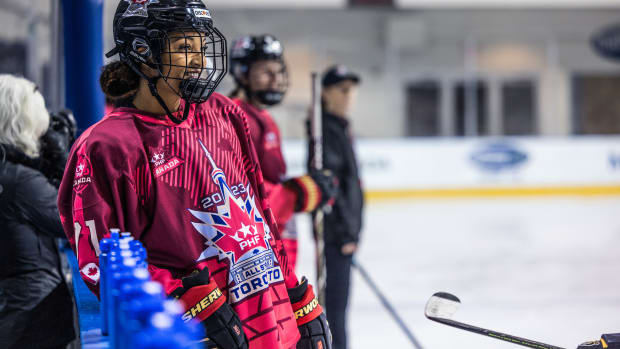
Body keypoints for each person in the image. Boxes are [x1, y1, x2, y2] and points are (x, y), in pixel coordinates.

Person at [57, 1, 331, 348]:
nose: (200, 60)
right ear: (143, 53)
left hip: (270, 321)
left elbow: (258, 217)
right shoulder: (108, 146)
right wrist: (187, 301)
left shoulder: (225, 113)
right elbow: (103, 260)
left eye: (201, 46)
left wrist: (293, 293)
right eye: (185, 48)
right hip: (195, 334)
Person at [229, 34, 336, 272]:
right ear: (243, 73)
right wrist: (296, 194)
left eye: (278, 71)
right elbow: (236, 192)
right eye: (266, 71)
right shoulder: (232, 118)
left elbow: (269, 178)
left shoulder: (263, 117)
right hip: (253, 250)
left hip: (276, 239)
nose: (275, 79)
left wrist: (304, 188)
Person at [0, 75, 77, 349]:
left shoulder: (10, 173)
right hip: (32, 318)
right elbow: (72, 220)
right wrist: (63, 165)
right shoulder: (19, 181)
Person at [308, 65, 364, 349]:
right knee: (336, 308)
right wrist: (345, 233)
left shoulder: (338, 127)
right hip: (337, 235)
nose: (348, 96)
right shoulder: (326, 130)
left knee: (339, 306)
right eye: (342, 90)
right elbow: (331, 187)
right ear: (326, 94)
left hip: (344, 234)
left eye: (350, 91)